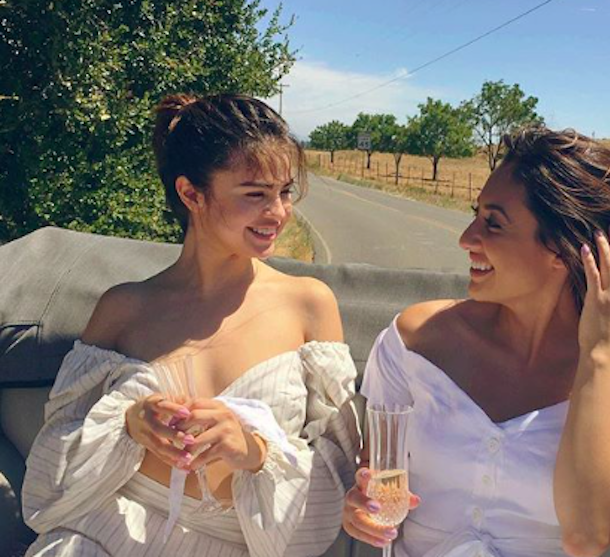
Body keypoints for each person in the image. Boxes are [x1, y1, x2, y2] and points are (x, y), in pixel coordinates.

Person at [22, 94, 361, 557]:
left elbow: (343, 476)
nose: (279, 213)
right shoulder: (124, 308)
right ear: (191, 194)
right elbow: (49, 475)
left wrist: (255, 452)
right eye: (255, 194)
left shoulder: (308, 305)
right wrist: (129, 425)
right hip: (104, 535)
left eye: (284, 192)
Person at [343, 128, 610, 557]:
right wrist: (362, 505)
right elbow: (377, 473)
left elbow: (589, 534)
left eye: (493, 223)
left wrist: (597, 352)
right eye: (475, 215)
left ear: (565, 248)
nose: (466, 238)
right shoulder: (415, 342)